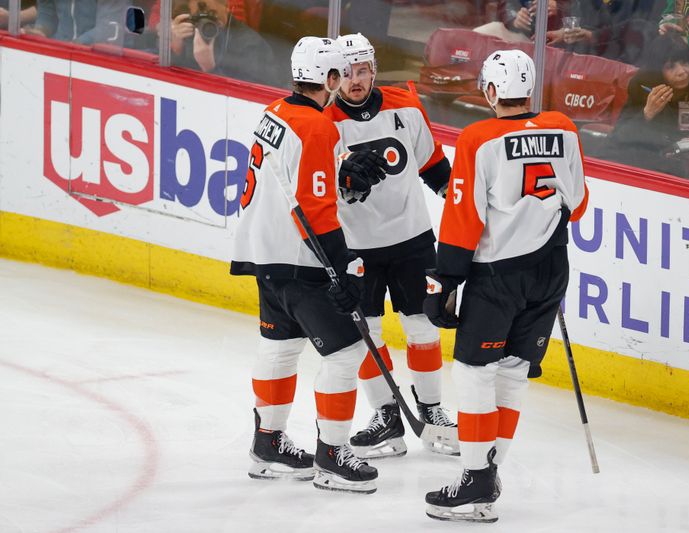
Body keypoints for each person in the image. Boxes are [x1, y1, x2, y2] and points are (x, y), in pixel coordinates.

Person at [422, 49, 588, 522]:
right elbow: (576, 202)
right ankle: (489, 473)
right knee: (513, 371)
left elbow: (463, 216)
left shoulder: (479, 137)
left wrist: (445, 280)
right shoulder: (565, 128)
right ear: (530, 89)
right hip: (552, 267)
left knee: (475, 372)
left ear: (491, 91)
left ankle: (475, 479)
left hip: (499, 275)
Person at [230, 36, 387, 494]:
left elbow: (295, 177)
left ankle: (268, 443)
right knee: (345, 352)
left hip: (263, 254)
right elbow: (315, 209)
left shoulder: (275, 112)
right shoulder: (319, 127)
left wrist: (340, 173)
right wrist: (343, 267)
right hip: (299, 261)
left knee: (279, 347)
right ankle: (333, 456)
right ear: (332, 79)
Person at [324, 33, 458, 459]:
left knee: (423, 327)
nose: (355, 81)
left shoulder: (405, 106)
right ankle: (386, 416)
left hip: (412, 240)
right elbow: (317, 188)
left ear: (374, 71)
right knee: (369, 334)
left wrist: (470, 212)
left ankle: (432, 410)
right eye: (346, 73)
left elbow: (435, 168)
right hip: (356, 247)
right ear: (334, 77)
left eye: (362, 71)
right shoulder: (322, 121)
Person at [609, 33, 689, 177]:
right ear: (658, 70)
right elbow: (620, 135)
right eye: (671, 67)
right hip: (644, 153)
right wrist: (647, 113)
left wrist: (678, 147)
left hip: (681, 156)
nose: (682, 72)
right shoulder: (642, 83)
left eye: (685, 63)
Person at [170, 0, 277, 85]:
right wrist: (176, 48)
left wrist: (210, 68)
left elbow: (249, 97)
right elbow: (176, 79)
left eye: (212, 14)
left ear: (227, 8)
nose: (207, 20)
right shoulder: (190, 32)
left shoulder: (251, 44)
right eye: (199, 16)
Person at [474, 0, 566, 43]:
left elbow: (578, 8)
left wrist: (558, 6)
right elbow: (506, 4)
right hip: (524, 34)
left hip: (557, 38)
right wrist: (514, 18)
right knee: (478, 35)